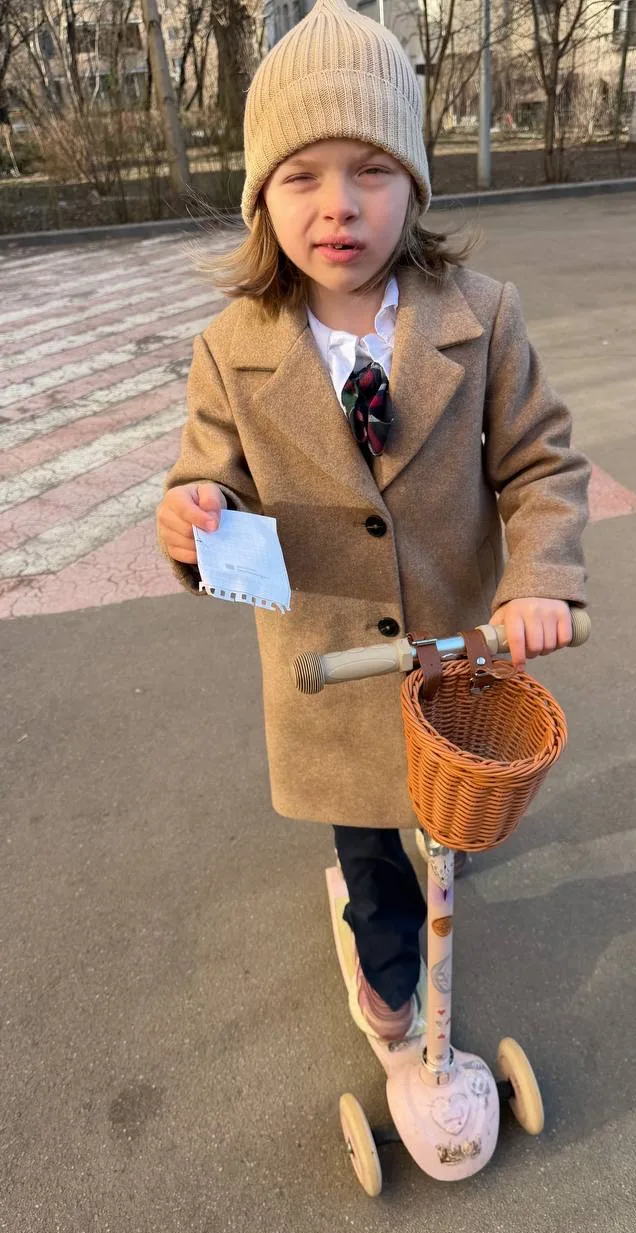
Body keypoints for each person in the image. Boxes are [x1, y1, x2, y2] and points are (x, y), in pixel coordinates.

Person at [156, 0, 591, 1043]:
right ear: (263, 197)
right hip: (331, 672)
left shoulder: (482, 317)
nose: (339, 205)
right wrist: (199, 514)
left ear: (415, 183)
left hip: (455, 655)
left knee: (449, 812)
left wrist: (539, 580)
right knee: (369, 847)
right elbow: (210, 477)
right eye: (302, 176)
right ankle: (388, 960)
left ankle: (439, 848)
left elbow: (541, 461)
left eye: (372, 170)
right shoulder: (232, 349)